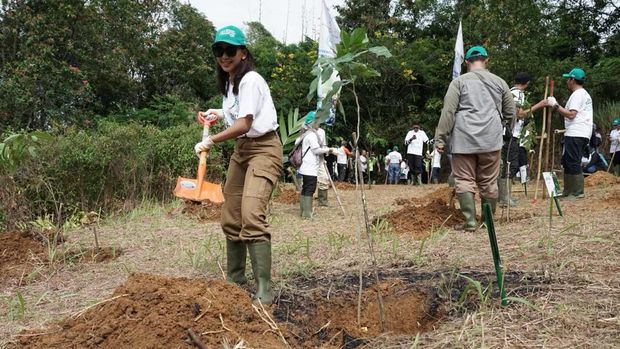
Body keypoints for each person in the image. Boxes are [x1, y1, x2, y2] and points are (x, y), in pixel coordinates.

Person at [194, 25, 281, 305]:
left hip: (264, 149)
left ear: (243, 53)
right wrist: (218, 112)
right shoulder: (231, 83)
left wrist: (211, 141)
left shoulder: (251, 79)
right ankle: (235, 279)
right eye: (219, 51)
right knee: (231, 216)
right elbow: (238, 112)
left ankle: (264, 289)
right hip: (242, 151)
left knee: (252, 216)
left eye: (230, 50)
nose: (224, 56)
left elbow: (246, 123)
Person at [434, 45, 516, 231]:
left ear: (466, 62)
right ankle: (488, 222)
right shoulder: (500, 82)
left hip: (464, 140)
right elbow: (510, 113)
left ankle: (470, 221)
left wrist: (441, 138)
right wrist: (506, 130)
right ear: (486, 60)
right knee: (488, 181)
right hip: (491, 138)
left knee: (464, 180)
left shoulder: (459, 82)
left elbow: (448, 112)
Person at [544, 67, 593, 199]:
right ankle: (568, 191)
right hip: (577, 132)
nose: (567, 82)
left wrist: (555, 105)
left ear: (572, 80)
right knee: (567, 161)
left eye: (568, 79)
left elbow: (571, 114)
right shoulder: (583, 94)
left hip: (577, 132)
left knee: (573, 161)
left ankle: (577, 192)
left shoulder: (578, 95)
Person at [501, 72, 545, 206]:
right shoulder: (517, 94)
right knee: (511, 164)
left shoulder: (509, 92)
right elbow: (518, 115)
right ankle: (504, 197)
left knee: (508, 164)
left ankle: (504, 196)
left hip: (508, 134)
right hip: (511, 134)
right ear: (527, 83)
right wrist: (540, 105)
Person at [295, 111, 331, 218]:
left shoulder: (304, 134)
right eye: (317, 121)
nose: (319, 124)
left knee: (305, 188)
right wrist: (329, 149)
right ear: (312, 122)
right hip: (310, 167)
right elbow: (316, 150)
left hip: (304, 167)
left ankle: (303, 211)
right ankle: (307, 213)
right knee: (310, 188)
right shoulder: (311, 135)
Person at [315, 122, 331, 206]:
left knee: (324, 178)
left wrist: (327, 151)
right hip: (310, 160)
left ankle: (323, 201)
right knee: (308, 182)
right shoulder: (307, 132)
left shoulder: (322, 132)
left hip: (320, 159)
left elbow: (324, 145)